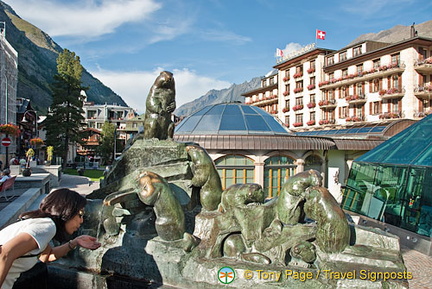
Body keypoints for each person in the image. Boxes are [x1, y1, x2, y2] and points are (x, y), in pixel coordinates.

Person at [0, 188, 101, 289]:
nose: (81, 220)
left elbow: (47, 256)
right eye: (80, 214)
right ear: (67, 210)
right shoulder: (47, 226)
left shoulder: (41, 224)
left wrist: (75, 242)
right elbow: (5, 253)